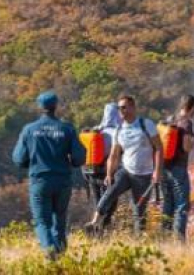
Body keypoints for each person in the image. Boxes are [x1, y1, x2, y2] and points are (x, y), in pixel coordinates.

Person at [12, 91, 85, 260]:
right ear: (56, 106)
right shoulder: (67, 129)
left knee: (41, 221)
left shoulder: (29, 130)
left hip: (40, 180)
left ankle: (50, 251)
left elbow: (18, 158)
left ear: (40, 107)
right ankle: (61, 259)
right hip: (62, 181)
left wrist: (29, 163)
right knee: (59, 221)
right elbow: (79, 158)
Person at [86, 95, 164, 234]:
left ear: (133, 107)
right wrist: (109, 174)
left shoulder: (146, 124)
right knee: (109, 193)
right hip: (126, 171)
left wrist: (157, 172)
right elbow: (114, 155)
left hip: (144, 175)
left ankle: (139, 238)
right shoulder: (119, 129)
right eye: (119, 108)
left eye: (124, 107)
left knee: (139, 209)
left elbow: (158, 148)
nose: (121, 110)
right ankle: (94, 223)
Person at [161, 94, 194, 240]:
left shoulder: (171, 119)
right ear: (192, 107)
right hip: (179, 169)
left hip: (165, 167)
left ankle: (164, 236)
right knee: (182, 205)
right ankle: (180, 240)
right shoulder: (187, 123)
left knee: (168, 203)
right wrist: (192, 142)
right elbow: (186, 147)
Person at [83, 103, 122, 229]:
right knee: (110, 201)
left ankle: (95, 227)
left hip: (91, 171)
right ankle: (103, 227)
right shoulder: (118, 132)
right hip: (107, 173)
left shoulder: (95, 130)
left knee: (98, 200)